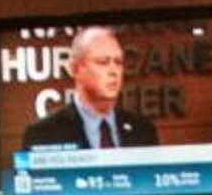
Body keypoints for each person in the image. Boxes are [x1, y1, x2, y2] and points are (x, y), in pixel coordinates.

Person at [22, 26, 152, 149]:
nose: (114, 71)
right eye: (103, 62)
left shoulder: (143, 130)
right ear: (75, 69)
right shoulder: (43, 133)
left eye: (118, 62)